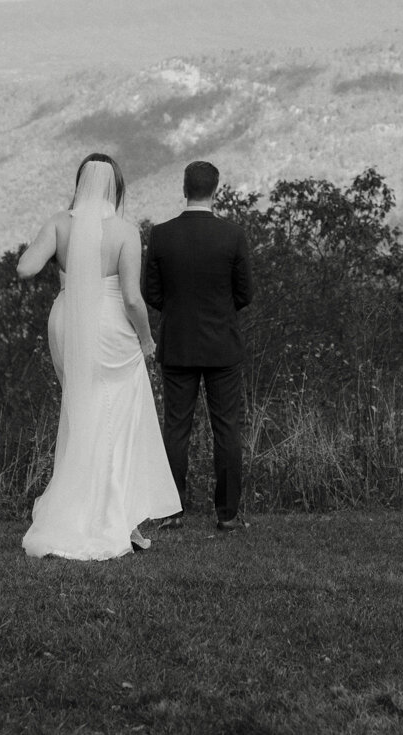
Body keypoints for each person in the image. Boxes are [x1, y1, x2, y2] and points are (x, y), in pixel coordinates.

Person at [17, 153, 180, 559]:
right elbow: (131, 298)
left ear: (79, 185)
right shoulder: (125, 231)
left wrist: (59, 253)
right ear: (116, 189)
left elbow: (25, 268)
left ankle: (76, 512)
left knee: (82, 412)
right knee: (119, 422)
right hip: (110, 328)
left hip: (67, 322)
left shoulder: (59, 222)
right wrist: (146, 340)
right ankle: (116, 519)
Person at [143, 159, 254, 531]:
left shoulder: (160, 235)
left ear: (184, 188)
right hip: (222, 344)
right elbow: (245, 293)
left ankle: (172, 511)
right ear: (216, 190)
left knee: (176, 428)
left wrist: (177, 312)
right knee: (227, 429)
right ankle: (227, 514)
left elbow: (151, 293)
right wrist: (221, 313)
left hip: (178, 343)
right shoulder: (233, 235)